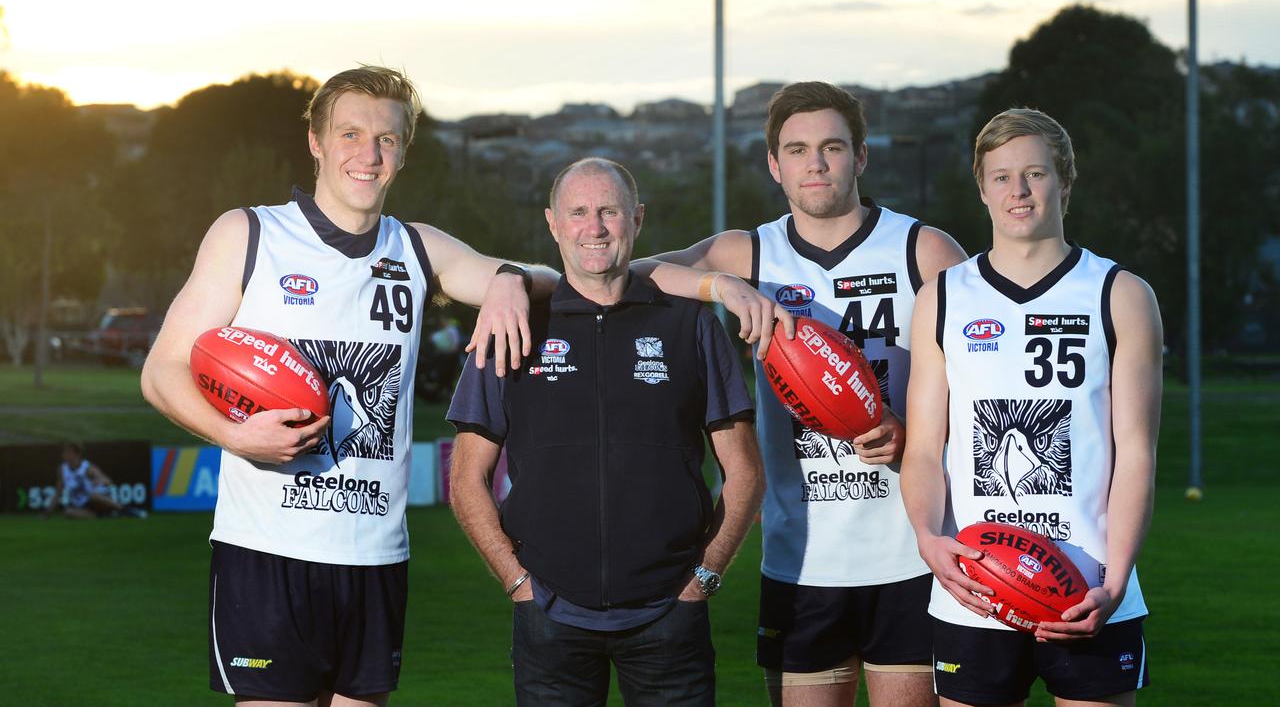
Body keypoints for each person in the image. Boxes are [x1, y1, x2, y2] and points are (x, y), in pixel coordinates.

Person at [139, 65, 571, 707]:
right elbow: (161, 370)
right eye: (349, 134)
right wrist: (235, 435)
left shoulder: (418, 250)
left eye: (387, 139)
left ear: (402, 151)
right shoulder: (249, 234)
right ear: (316, 142)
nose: (368, 154)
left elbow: (546, 277)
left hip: (375, 555)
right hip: (268, 552)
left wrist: (509, 277)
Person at [651, 81, 967, 706]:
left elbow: (987, 380)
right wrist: (722, 287)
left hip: (910, 551)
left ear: (862, 156)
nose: (815, 164)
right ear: (774, 164)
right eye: (796, 150)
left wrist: (919, 432)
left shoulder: (921, 249)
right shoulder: (751, 251)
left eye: (831, 147)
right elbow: (629, 276)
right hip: (801, 559)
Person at [447, 157, 766, 706]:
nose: (593, 228)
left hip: (670, 614)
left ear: (636, 219)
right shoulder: (512, 325)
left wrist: (705, 577)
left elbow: (744, 473)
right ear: (552, 223)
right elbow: (466, 480)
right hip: (550, 616)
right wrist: (517, 582)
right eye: (577, 212)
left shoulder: (690, 325)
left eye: (608, 211)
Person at [901, 108, 1161, 706]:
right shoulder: (940, 299)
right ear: (983, 189)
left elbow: (1137, 454)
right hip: (976, 586)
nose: (1018, 191)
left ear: (1064, 183)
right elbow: (922, 448)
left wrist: (1115, 581)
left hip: (1088, 588)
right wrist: (926, 536)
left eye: (1036, 174)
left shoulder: (1120, 294)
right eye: (1001, 176)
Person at [44, 441, 146, 519]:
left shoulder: (87, 467)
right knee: (68, 512)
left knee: (93, 495)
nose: (65, 455)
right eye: (64, 452)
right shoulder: (62, 469)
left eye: (68, 453)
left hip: (98, 499)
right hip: (82, 504)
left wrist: (99, 481)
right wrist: (48, 513)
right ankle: (106, 515)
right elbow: (58, 493)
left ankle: (127, 510)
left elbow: (107, 480)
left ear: (77, 454)